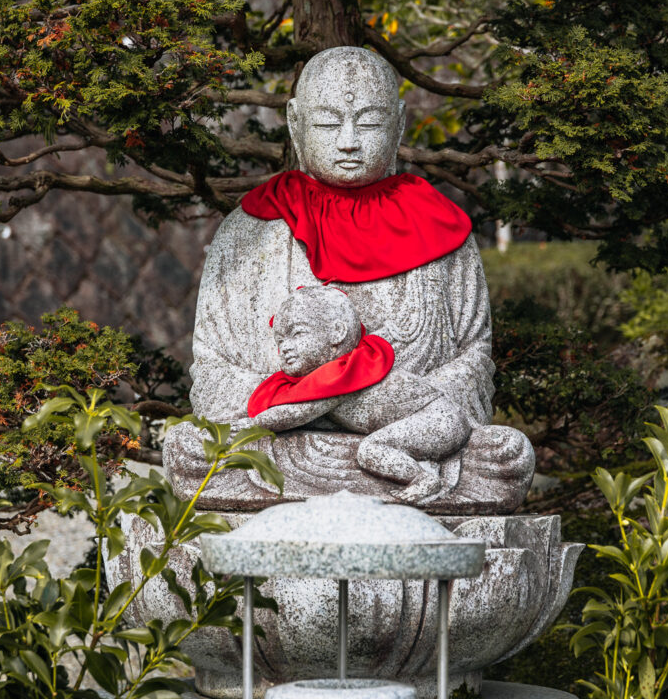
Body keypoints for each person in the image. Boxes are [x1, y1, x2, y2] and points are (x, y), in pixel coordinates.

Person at [163, 45, 534, 512]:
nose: (348, 142)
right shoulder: (248, 232)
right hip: (283, 447)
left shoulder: (445, 233)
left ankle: (379, 470)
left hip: (407, 437)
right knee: (189, 449)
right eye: (326, 123)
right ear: (295, 124)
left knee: (505, 457)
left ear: (399, 124)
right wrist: (311, 404)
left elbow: (475, 360)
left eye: (370, 123)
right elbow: (212, 370)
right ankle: (382, 480)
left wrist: (401, 403)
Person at [247, 285, 472, 504]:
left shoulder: (344, 373)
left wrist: (253, 424)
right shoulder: (330, 375)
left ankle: (423, 479)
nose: (285, 347)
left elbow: (293, 415)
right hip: (435, 417)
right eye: (280, 341)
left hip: (439, 420)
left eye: (297, 334)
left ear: (338, 332)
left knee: (371, 451)